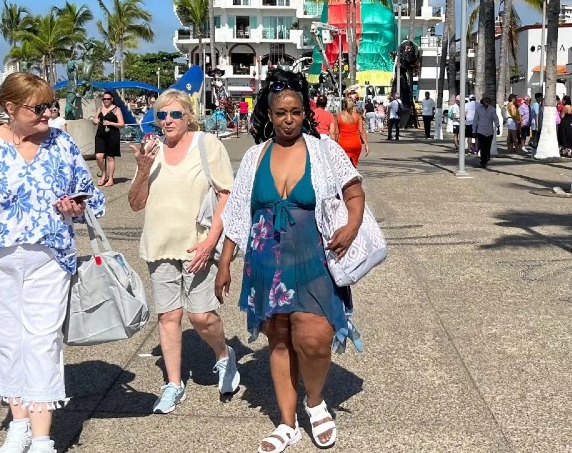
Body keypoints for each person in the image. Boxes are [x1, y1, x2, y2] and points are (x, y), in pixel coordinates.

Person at [0, 72, 105, 453]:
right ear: (10, 108)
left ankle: (43, 436)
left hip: (49, 257)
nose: (48, 113)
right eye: (38, 107)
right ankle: (19, 424)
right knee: (8, 341)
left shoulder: (61, 144)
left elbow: (92, 201)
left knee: (43, 340)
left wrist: (74, 207)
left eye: (51, 105)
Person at [217, 68, 366, 453]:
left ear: (305, 112)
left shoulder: (324, 151)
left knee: (314, 338)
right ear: (268, 113)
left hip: (314, 260)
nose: (288, 119)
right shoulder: (255, 155)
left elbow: (354, 192)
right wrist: (224, 262)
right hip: (266, 262)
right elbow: (237, 212)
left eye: (296, 112)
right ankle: (287, 423)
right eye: (281, 112)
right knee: (279, 340)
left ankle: (314, 403)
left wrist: (350, 228)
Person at [127, 89, 240, 414]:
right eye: (162, 115)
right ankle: (173, 384)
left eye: (175, 114)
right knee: (168, 316)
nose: (168, 121)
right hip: (159, 245)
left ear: (189, 116)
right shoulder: (153, 151)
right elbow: (136, 203)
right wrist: (143, 169)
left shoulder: (207, 145)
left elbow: (226, 195)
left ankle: (223, 355)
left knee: (201, 315)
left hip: (197, 245)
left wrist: (210, 241)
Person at [92, 90, 122, 187]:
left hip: (112, 135)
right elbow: (95, 119)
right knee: (99, 156)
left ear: (112, 99)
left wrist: (111, 123)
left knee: (110, 157)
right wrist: (95, 120)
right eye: (104, 99)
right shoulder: (100, 109)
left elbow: (122, 124)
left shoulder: (117, 109)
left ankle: (111, 179)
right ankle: (103, 174)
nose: (106, 101)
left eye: (108, 99)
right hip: (100, 134)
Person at [334, 96, 369, 167]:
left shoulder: (338, 116)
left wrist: (334, 145)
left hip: (343, 144)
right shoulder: (358, 116)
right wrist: (366, 144)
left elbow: (336, 133)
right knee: (353, 166)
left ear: (343, 105)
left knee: (344, 166)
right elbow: (361, 131)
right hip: (355, 143)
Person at [472, 96, 501, 167]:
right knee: (482, 147)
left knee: (488, 147)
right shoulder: (478, 109)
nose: (487, 101)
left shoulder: (492, 109)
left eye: (488, 100)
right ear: (482, 101)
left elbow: (496, 119)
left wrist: (498, 127)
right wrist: (474, 131)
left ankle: (487, 158)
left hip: (489, 131)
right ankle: (483, 161)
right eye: (485, 100)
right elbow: (475, 120)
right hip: (481, 131)